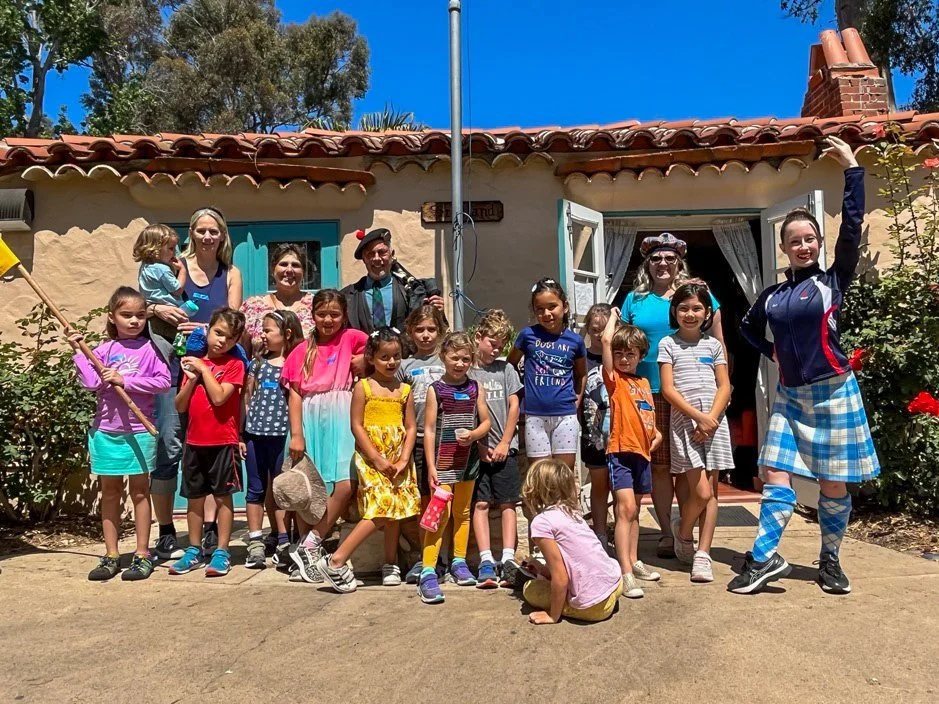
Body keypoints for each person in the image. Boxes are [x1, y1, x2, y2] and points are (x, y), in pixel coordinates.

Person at [729, 136, 879, 596]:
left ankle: (830, 560)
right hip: (792, 397)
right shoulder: (772, 296)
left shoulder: (833, 281)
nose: (803, 246)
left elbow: (851, 227)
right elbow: (747, 329)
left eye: (810, 239)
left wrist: (851, 168)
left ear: (818, 243)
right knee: (775, 472)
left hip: (834, 391)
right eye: (794, 241)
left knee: (833, 486)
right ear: (783, 247)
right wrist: (773, 353)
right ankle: (765, 557)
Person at [146, 207, 243, 560]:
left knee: (215, 446)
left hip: (215, 371)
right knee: (170, 447)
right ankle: (167, 530)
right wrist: (156, 310)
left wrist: (204, 330)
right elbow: (136, 304)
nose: (207, 236)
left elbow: (234, 321)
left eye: (213, 231)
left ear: (222, 235)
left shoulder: (231, 273)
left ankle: (213, 532)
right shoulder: (171, 264)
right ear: (191, 232)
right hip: (171, 367)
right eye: (201, 230)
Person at [621, 233, 725, 559]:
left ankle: (688, 529)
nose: (662, 264)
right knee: (661, 468)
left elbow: (719, 344)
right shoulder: (634, 300)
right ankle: (668, 533)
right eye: (655, 259)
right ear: (647, 264)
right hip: (646, 392)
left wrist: (725, 392)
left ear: (678, 261)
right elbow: (623, 344)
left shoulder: (695, 296)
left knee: (691, 469)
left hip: (693, 396)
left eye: (669, 258)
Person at [67, 287, 171, 581]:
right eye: (127, 315)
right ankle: (111, 554)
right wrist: (79, 350)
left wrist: (127, 379)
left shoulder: (150, 349)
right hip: (106, 433)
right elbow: (90, 383)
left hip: (139, 431)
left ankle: (141, 554)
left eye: (140, 315)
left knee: (140, 492)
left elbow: (163, 381)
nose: (134, 321)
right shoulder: (102, 349)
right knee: (110, 493)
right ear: (112, 316)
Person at [317, 328, 422, 592]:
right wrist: (376, 458)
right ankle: (336, 560)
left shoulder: (405, 390)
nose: (391, 362)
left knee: (395, 510)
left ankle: (390, 564)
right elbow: (356, 426)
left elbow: (410, 427)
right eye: (384, 357)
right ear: (371, 358)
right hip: (371, 458)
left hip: (398, 458)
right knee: (381, 507)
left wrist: (403, 458)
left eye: (396, 356)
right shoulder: (363, 387)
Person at [282, 289, 368, 583]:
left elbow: (383, 351)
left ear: (344, 316)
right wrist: (296, 434)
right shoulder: (301, 350)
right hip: (310, 417)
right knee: (309, 489)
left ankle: (309, 543)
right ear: (312, 316)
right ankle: (305, 560)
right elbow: (294, 393)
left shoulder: (352, 338)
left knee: (345, 483)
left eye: (335, 314)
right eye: (322, 314)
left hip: (343, 413)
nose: (328, 320)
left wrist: (365, 361)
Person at [658, 282, 733, 583]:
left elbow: (724, 385)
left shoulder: (713, 345)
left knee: (711, 491)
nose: (690, 314)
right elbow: (668, 389)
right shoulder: (668, 344)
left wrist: (712, 418)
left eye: (697, 308)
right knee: (699, 491)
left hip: (714, 423)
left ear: (707, 313)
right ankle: (683, 531)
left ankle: (703, 554)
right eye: (684, 308)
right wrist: (698, 418)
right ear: (674, 312)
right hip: (686, 425)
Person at [169, 308, 247, 577]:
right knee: (194, 499)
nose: (222, 341)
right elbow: (180, 405)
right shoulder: (193, 363)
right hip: (194, 441)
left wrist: (203, 369)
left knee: (224, 498)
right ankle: (193, 549)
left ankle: (222, 551)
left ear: (236, 342)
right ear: (208, 330)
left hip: (223, 441)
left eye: (229, 338)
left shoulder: (235, 366)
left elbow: (219, 398)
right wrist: (191, 380)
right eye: (218, 333)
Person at [417, 332, 491, 604]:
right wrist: (431, 467)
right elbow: (429, 429)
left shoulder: (475, 388)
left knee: (462, 513)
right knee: (439, 514)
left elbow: (485, 423)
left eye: (465, 359)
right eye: (454, 358)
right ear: (443, 357)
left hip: (467, 462)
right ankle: (427, 571)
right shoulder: (435, 389)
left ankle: (458, 562)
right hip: (443, 461)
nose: (460, 364)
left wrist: (473, 435)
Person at [600, 313, 662, 598]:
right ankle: (624, 571)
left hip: (642, 454)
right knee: (624, 510)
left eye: (630, 354)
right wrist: (614, 318)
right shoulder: (615, 380)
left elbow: (648, 419)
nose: (624, 359)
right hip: (620, 452)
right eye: (619, 353)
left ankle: (634, 560)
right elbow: (605, 338)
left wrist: (656, 435)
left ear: (640, 355)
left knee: (635, 511)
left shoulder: (644, 384)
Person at [519, 459, 624, 624]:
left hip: (596, 606)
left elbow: (561, 577)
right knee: (550, 576)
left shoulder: (542, 523)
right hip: (615, 582)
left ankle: (566, 608)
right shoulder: (571, 513)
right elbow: (573, 561)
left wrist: (553, 615)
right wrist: (543, 570)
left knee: (530, 590)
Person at [240, 310, 304, 569]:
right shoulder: (256, 363)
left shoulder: (294, 363)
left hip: (282, 438)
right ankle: (255, 542)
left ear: (286, 334)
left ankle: (283, 540)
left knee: (280, 491)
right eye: (262, 330)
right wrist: (241, 434)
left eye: (268, 330)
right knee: (255, 488)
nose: (263, 335)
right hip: (255, 436)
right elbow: (247, 398)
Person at [507, 277, 587, 471]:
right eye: (540, 309)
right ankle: (543, 503)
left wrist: (576, 401)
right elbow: (510, 365)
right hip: (535, 416)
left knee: (563, 473)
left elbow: (581, 374)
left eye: (552, 307)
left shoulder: (575, 341)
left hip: (565, 416)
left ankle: (563, 503)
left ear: (565, 307)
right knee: (541, 474)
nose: (547, 314)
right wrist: (521, 392)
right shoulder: (527, 335)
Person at [470, 309, 524, 589]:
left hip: (505, 449)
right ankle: (485, 559)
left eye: (501, 345)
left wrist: (505, 441)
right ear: (479, 337)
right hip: (477, 451)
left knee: (507, 502)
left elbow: (514, 405)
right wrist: (479, 445)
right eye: (492, 343)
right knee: (480, 503)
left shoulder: (507, 370)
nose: (496, 349)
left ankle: (508, 558)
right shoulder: (468, 371)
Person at [397, 304, 449, 584]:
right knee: (425, 503)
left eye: (431, 329)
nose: (426, 335)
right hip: (416, 442)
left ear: (441, 332)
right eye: (420, 330)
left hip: (446, 441)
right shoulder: (405, 366)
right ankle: (425, 556)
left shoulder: (447, 362)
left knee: (448, 503)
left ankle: (446, 558)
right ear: (410, 332)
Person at [341, 227, 445, 334]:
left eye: (382, 252)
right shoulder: (347, 296)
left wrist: (439, 314)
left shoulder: (413, 292)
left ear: (392, 255)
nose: (376, 258)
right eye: (370, 254)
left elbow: (435, 331)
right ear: (364, 259)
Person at [240, 244, 315, 357]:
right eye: (283, 264)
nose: (289, 270)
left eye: (295, 265)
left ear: (303, 271)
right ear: (272, 270)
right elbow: (242, 349)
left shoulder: (315, 305)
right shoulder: (253, 306)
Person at [579, 303, 613, 549]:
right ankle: (600, 531)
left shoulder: (622, 355)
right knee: (599, 484)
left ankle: (621, 534)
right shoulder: (582, 358)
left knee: (622, 488)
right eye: (595, 329)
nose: (600, 335)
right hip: (593, 434)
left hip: (621, 434)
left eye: (605, 330)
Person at [134, 224, 188, 311]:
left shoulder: (145, 266)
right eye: (171, 248)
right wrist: (182, 270)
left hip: (152, 308)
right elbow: (177, 290)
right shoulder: (162, 269)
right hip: (169, 309)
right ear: (156, 249)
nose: (175, 252)